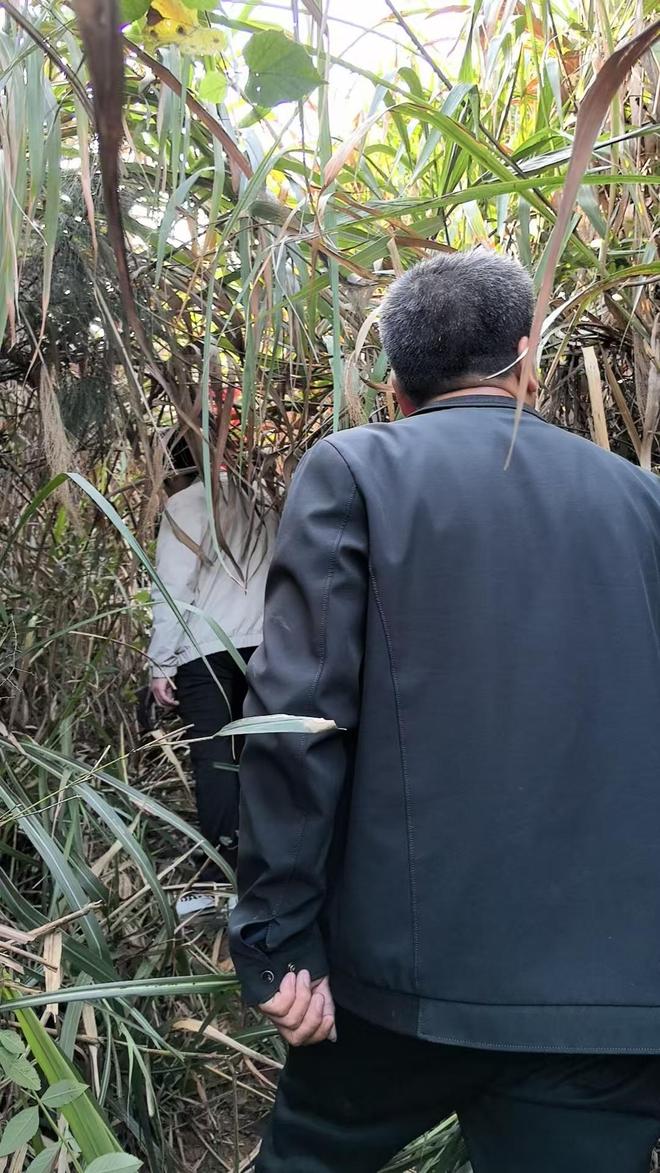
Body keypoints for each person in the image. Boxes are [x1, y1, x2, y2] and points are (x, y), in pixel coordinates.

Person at [229, 249, 660, 1173]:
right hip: (608, 1004)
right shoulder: (644, 502)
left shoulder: (355, 471)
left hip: (399, 986)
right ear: (528, 358)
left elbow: (297, 718)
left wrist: (278, 934)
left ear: (393, 386)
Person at [148, 431, 276, 918]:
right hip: (268, 645)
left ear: (170, 467)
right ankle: (271, 871)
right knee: (264, 755)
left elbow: (172, 589)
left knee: (216, 759)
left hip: (205, 650)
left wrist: (161, 664)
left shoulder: (186, 504)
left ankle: (221, 879)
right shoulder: (262, 496)